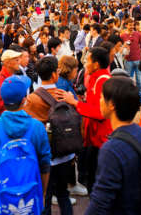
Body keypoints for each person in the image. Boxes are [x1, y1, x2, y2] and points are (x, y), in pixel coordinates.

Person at [0, 75, 51, 215]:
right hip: (30, 197)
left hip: (0, 197)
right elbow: (45, 165)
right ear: (24, 100)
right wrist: (43, 193)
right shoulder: (37, 128)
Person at [85, 78, 141, 214]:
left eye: (102, 97)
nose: (99, 101)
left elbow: (101, 201)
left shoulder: (111, 149)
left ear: (112, 105)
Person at [23, 56, 76, 215]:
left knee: (44, 197)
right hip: (64, 153)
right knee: (63, 195)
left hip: (42, 156)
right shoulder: (64, 95)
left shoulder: (32, 99)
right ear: (55, 75)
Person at [60, 46, 111, 192]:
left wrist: (76, 103)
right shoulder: (95, 79)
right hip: (93, 134)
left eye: (88, 60)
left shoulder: (103, 80)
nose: (85, 64)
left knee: (96, 177)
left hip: (100, 136)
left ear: (96, 64)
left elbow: (101, 113)